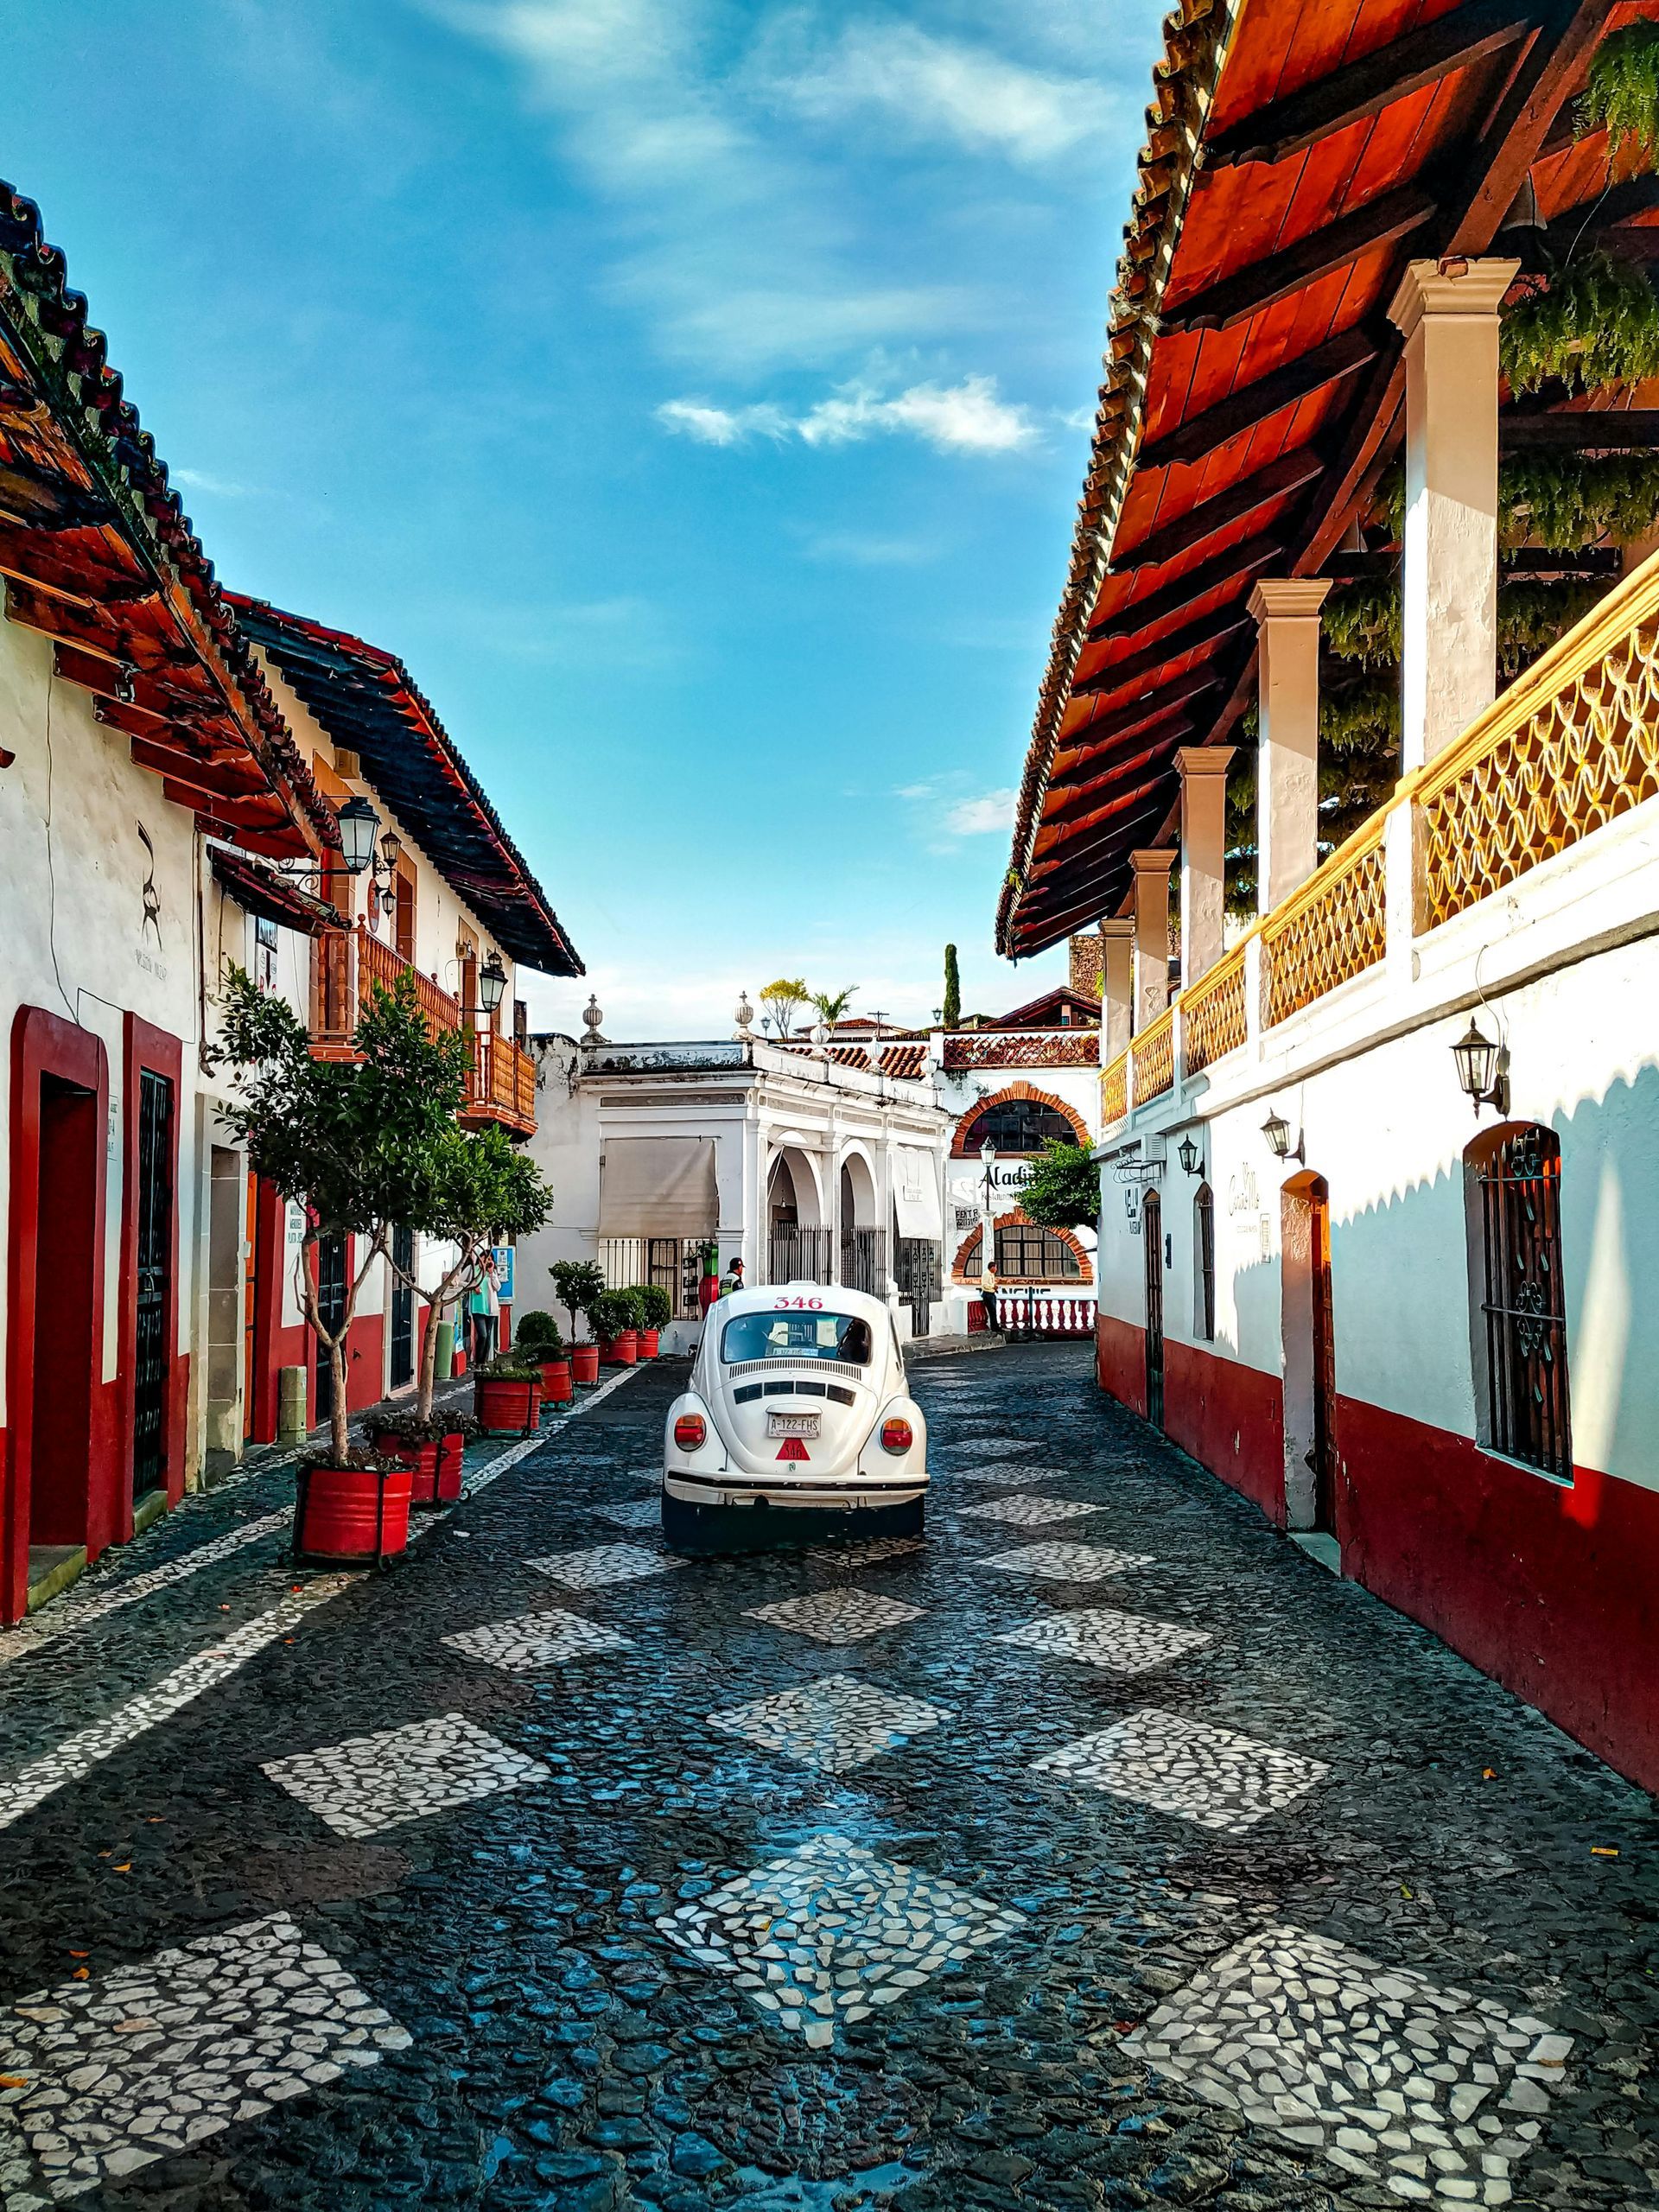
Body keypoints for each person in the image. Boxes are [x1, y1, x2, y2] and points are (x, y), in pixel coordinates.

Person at [978, 1254, 1000, 1334]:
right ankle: (994, 1327)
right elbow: (984, 1285)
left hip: (992, 1294)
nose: (996, 1269)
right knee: (992, 1311)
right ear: (992, 1267)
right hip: (988, 1294)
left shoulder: (992, 1274)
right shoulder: (986, 1274)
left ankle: (995, 1326)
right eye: (995, 1267)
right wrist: (992, 1287)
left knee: (994, 1311)